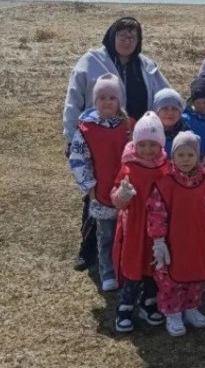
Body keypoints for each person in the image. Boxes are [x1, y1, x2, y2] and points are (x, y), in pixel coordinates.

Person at [63, 17, 170, 272]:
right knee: (98, 191)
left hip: (137, 141)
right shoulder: (91, 61)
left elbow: (164, 95)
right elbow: (73, 99)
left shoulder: (146, 66)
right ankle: (88, 248)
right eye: (122, 35)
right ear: (111, 36)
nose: (126, 41)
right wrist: (70, 136)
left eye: (133, 37)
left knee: (130, 193)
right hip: (97, 137)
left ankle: (127, 249)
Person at [146, 131, 205, 337]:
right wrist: (158, 241)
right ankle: (172, 312)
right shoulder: (165, 182)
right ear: (172, 157)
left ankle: (191, 307)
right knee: (171, 278)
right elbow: (157, 212)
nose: (185, 160)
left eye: (190, 155)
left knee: (197, 275)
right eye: (180, 155)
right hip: (174, 241)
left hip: (198, 239)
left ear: (198, 157)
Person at [68, 74, 134, 292]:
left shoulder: (128, 126)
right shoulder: (86, 129)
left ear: (119, 101)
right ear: (95, 101)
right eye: (102, 97)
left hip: (127, 190)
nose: (107, 102)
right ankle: (107, 272)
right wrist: (89, 186)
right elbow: (78, 159)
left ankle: (125, 269)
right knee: (105, 235)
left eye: (112, 98)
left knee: (126, 233)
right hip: (102, 190)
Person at [110, 111, 170, 333]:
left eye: (152, 145)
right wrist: (123, 195)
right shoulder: (129, 167)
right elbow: (116, 198)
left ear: (160, 144)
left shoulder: (166, 167)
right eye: (142, 144)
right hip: (134, 225)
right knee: (133, 265)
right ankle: (125, 307)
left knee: (153, 265)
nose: (147, 150)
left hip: (157, 228)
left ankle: (149, 301)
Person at [153, 88, 189, 156]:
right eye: (165, 108)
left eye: (174, 108)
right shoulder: (149, 133)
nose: (170, 113)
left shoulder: (188, 130)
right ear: (157, 111)